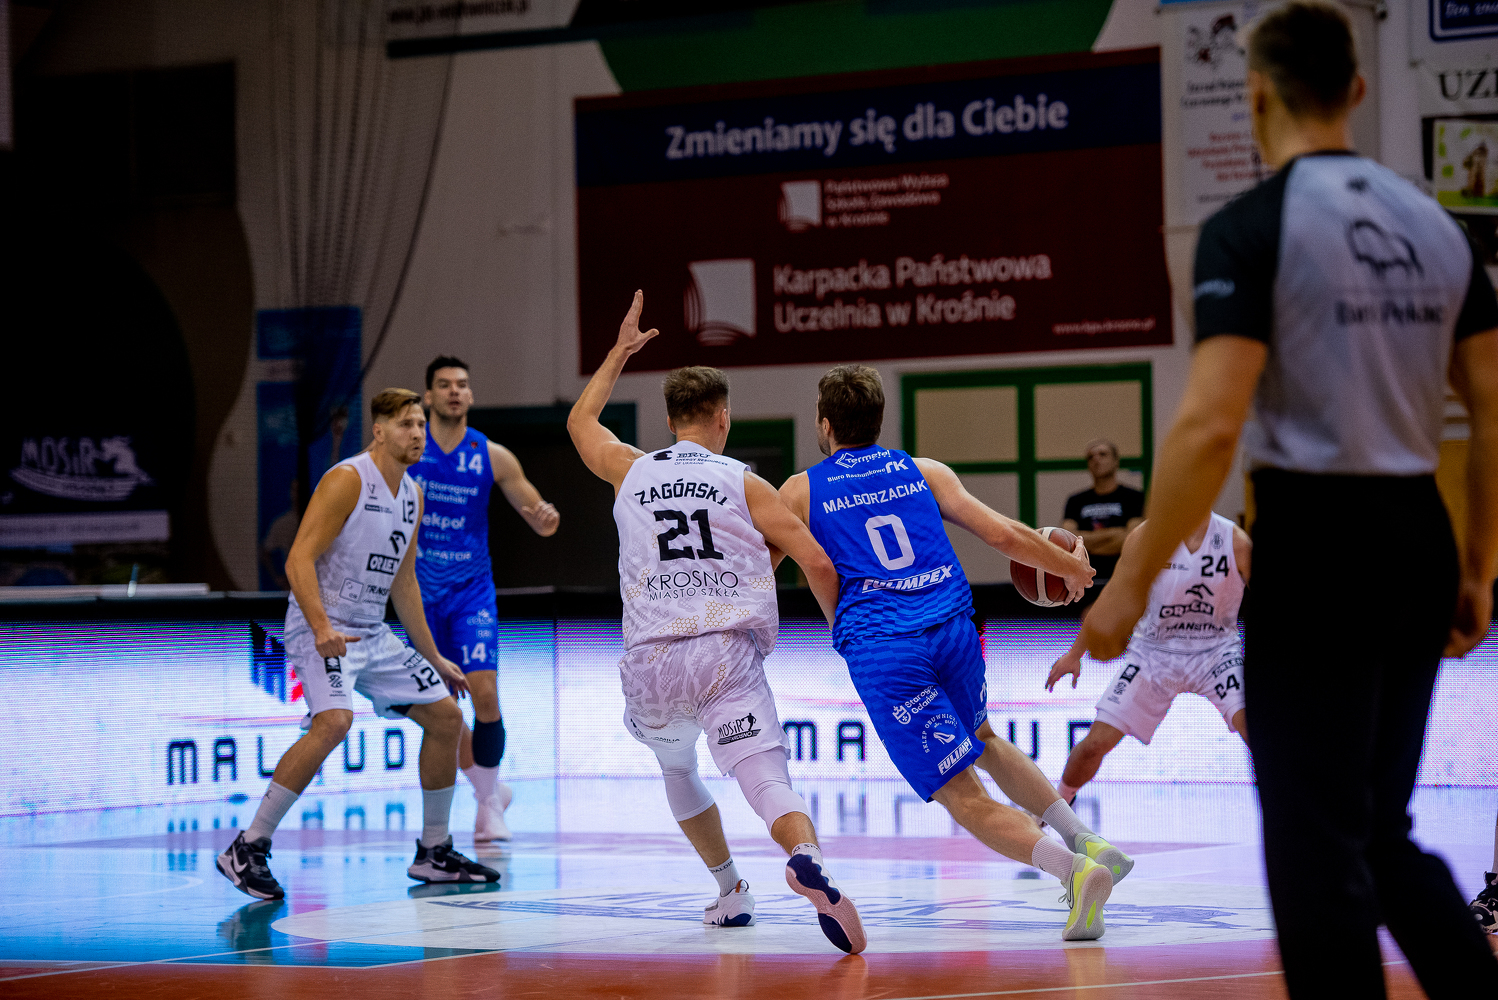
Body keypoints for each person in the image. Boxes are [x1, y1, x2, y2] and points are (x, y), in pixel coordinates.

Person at [1078, 4, 1498, 994]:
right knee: (1374, 829)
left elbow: (1209, 426)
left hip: (1317, 541)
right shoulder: (1438, 226)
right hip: (1420, 537)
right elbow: (1490, 407)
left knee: (1313, 848)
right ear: (1356, 90)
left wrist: (1128, 586)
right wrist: (1479, 565)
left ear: (1256, 92)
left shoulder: (1248, 228)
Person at [780, 364, 1128, 942]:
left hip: (885, 647)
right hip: (952, 627)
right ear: (879, 418)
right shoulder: (923, 470)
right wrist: (1071, 566)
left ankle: (1074, 869)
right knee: (984, 737)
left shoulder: (800, 490)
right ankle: (1084, 839)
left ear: (824, 424)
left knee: (962, 795)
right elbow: (1002, 533)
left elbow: (786, 562)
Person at [567, 291, 866, 954]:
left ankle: (731, 891)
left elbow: (580, 423)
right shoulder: (744, 482)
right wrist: (846, 632)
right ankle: (805, 857)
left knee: (678, 767)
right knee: (766, 780)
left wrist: (619, 352)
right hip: (722, 656)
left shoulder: (630, 469)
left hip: (651, 663)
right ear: (722, 417)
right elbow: (817, 560)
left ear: (670, 420)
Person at [217, 388, 499, 900]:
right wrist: (322, 628)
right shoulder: (347, 479)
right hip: (321, 627)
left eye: (421, 425)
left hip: (371, 631)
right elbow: (298, 560)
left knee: (446, 717)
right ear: (379, 431)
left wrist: (434, 657)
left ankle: (434, 851)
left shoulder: (413, 495)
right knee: (335, 722)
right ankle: (248, 845)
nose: (417, 434)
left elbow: (404, 584)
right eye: (407, 424)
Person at [417, 355, 561, 842]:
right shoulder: (409, 450)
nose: (454, 391)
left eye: (462, 384)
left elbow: (537, 513)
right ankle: (490, 793)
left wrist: (545, 518)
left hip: (471, 591)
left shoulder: (491, 454)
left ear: (471, 395)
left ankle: (488, 805)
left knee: (484, 694)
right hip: (420, 595)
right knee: (442, 710)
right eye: (444, 385)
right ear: (429, 396)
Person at [1046, 513, 1250, 802]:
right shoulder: (1145, 537)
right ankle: (1054, 806)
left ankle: (1293, 813)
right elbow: (1112, 597)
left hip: (1216, 652)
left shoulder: (1236, 541)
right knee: (1094, 745)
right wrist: (1074, 653)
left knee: (1256, 732)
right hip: (1154, 652)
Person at [1061, 440, 1144, 586]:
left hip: (1123, 579)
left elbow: (1131, 539)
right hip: (1084, 580)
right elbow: (1069, 541)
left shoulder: (1134, 497)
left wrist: (1086, 544)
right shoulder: (1076, 500)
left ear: (1116, 461)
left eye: (1103, 454)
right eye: (1090, 457)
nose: (1096, 459)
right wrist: (1116, 534)